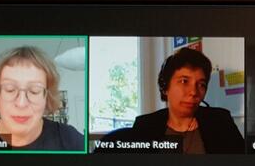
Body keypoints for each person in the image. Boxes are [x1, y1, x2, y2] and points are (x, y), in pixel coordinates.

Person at [104, 47, 245, 154]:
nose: (194, 92)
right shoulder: (145, 126)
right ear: (165, 87)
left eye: (201, 84)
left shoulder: (221, 121)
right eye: (184, 81)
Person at [0, 46, 83, 151]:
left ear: (47, 98)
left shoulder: (69, 140)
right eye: (10, 89)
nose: (21, 103)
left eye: (34, 91)